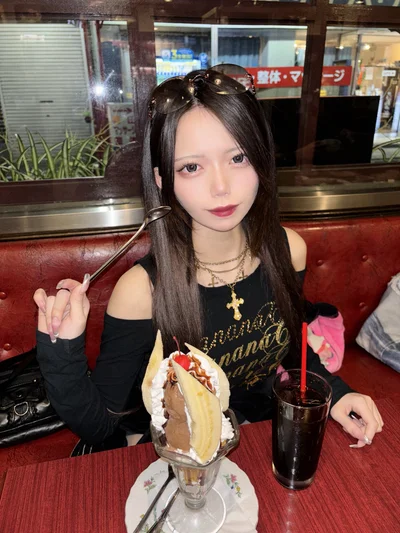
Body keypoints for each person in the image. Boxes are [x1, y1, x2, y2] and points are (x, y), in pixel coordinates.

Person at [34, 64, 383, 450]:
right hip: (181, 449)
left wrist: (336, 391)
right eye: (192, 167)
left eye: (238, 158)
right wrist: (61, 347)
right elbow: (101, 426)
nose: (221, 187)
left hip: (256, 435)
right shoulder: (141, 291)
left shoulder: (289, 249)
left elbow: (295, 347)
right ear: (163, 179)